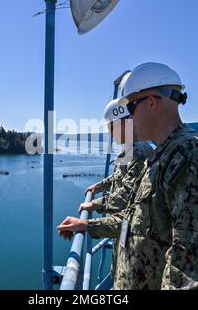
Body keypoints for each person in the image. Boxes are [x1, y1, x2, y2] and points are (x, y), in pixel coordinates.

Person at [58, 62, 198, 290]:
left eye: (130, 109)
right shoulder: (162, 155)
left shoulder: (192, 156)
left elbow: (192, 268)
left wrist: (92, 213)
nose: (129, 119)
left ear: (151, 103)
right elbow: (133, 219)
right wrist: (87, 226)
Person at [59, 98, 154, 279]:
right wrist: (98, 186)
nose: (111, 134)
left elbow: (126, 196)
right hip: (125, 229)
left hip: (137, 238)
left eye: (111, 128)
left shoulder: (139, 152)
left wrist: (94, 205)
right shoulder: (130, 149)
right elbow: (119, 177)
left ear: (124, 123)